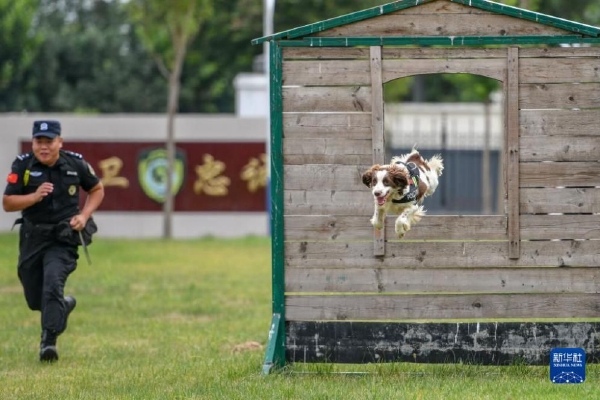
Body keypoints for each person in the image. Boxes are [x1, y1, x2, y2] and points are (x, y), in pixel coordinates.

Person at [2, 120, 104, 362]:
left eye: (49, 141)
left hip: (63, 238)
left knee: (52, 285)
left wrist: (84, 215)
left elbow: (97, 189)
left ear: (60, 141)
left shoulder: (74, 163)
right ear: (33, 142)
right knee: (35, 298)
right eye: (39, 141)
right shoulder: (23, 164)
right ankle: (62, 307)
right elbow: (7, 203)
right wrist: (34, 197)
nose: (44, 147)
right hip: (32, 237)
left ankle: (48, 343)